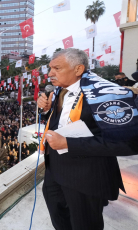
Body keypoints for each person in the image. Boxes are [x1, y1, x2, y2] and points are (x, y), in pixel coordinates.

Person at [37, 48, 138, 230]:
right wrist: (45, 110)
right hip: (55, 170)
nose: (50, 74)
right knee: (59, 218)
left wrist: (69, 143)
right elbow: (60, 124)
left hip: (85, 177)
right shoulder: (60, 91)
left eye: (57, 68)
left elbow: (128, 143)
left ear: (78, 69)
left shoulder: (107, 94)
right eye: (50, 68)